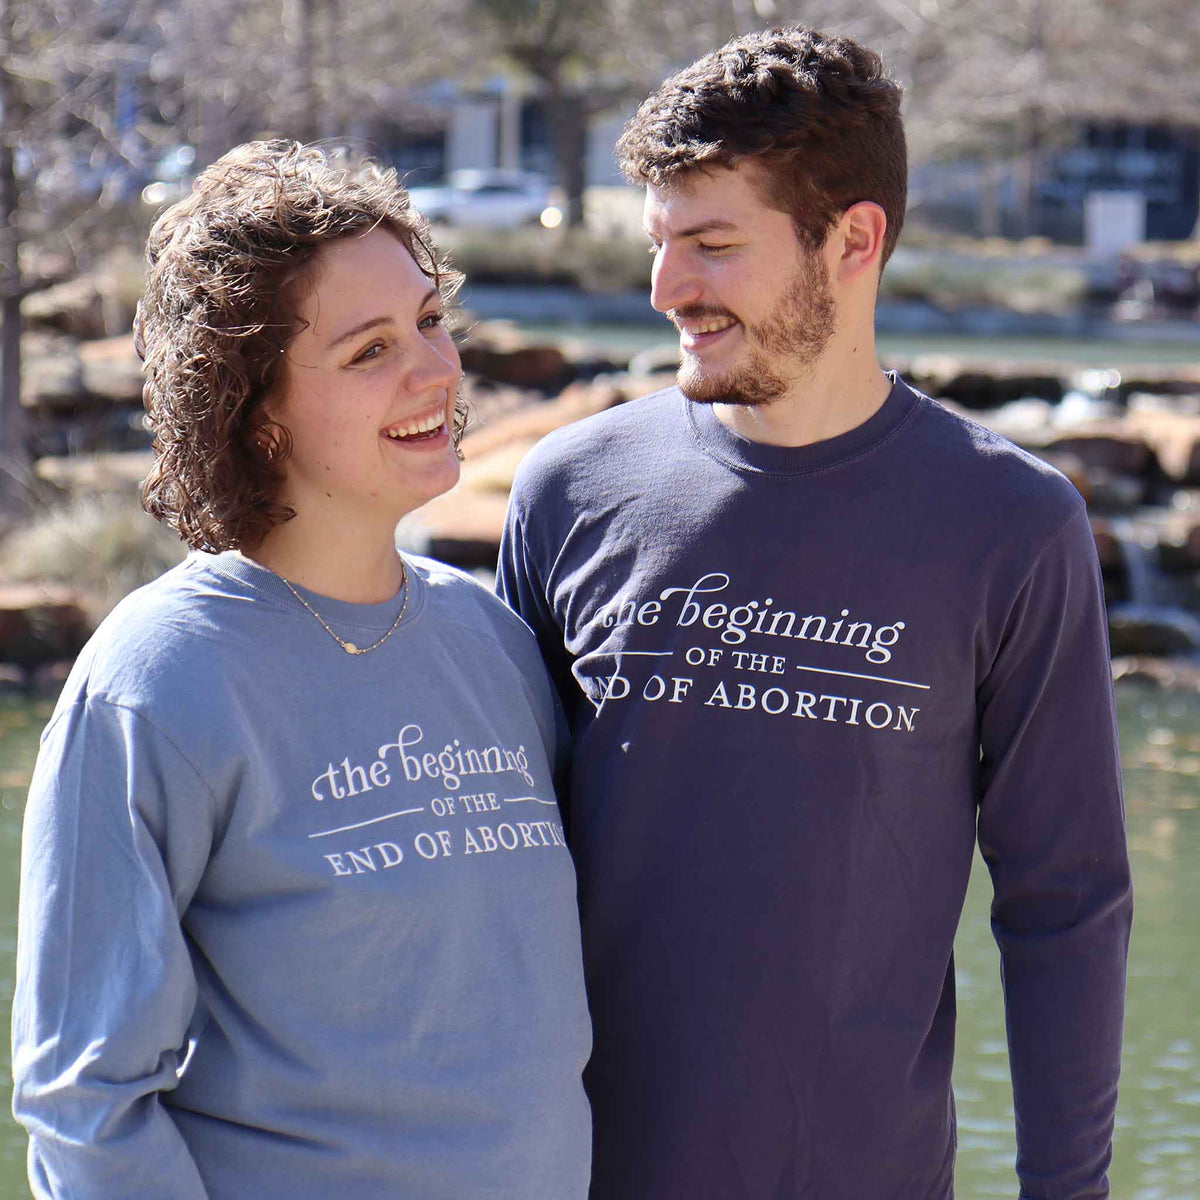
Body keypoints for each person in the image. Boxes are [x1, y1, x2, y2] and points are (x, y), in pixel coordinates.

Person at [498, 26, 1132, 1200]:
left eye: (714, 244)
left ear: (854, 239)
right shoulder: (567, 491)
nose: (667, 289)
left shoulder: (1011, 523)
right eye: (661, 244)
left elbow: (1066, 902)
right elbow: (493, 865)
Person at [12, 141, 591, 1200]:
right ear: (255, 404)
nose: (436, 370)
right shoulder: (157, 680)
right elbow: (83, 1102)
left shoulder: (494, 641)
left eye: (427, 321)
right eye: (369, 350)